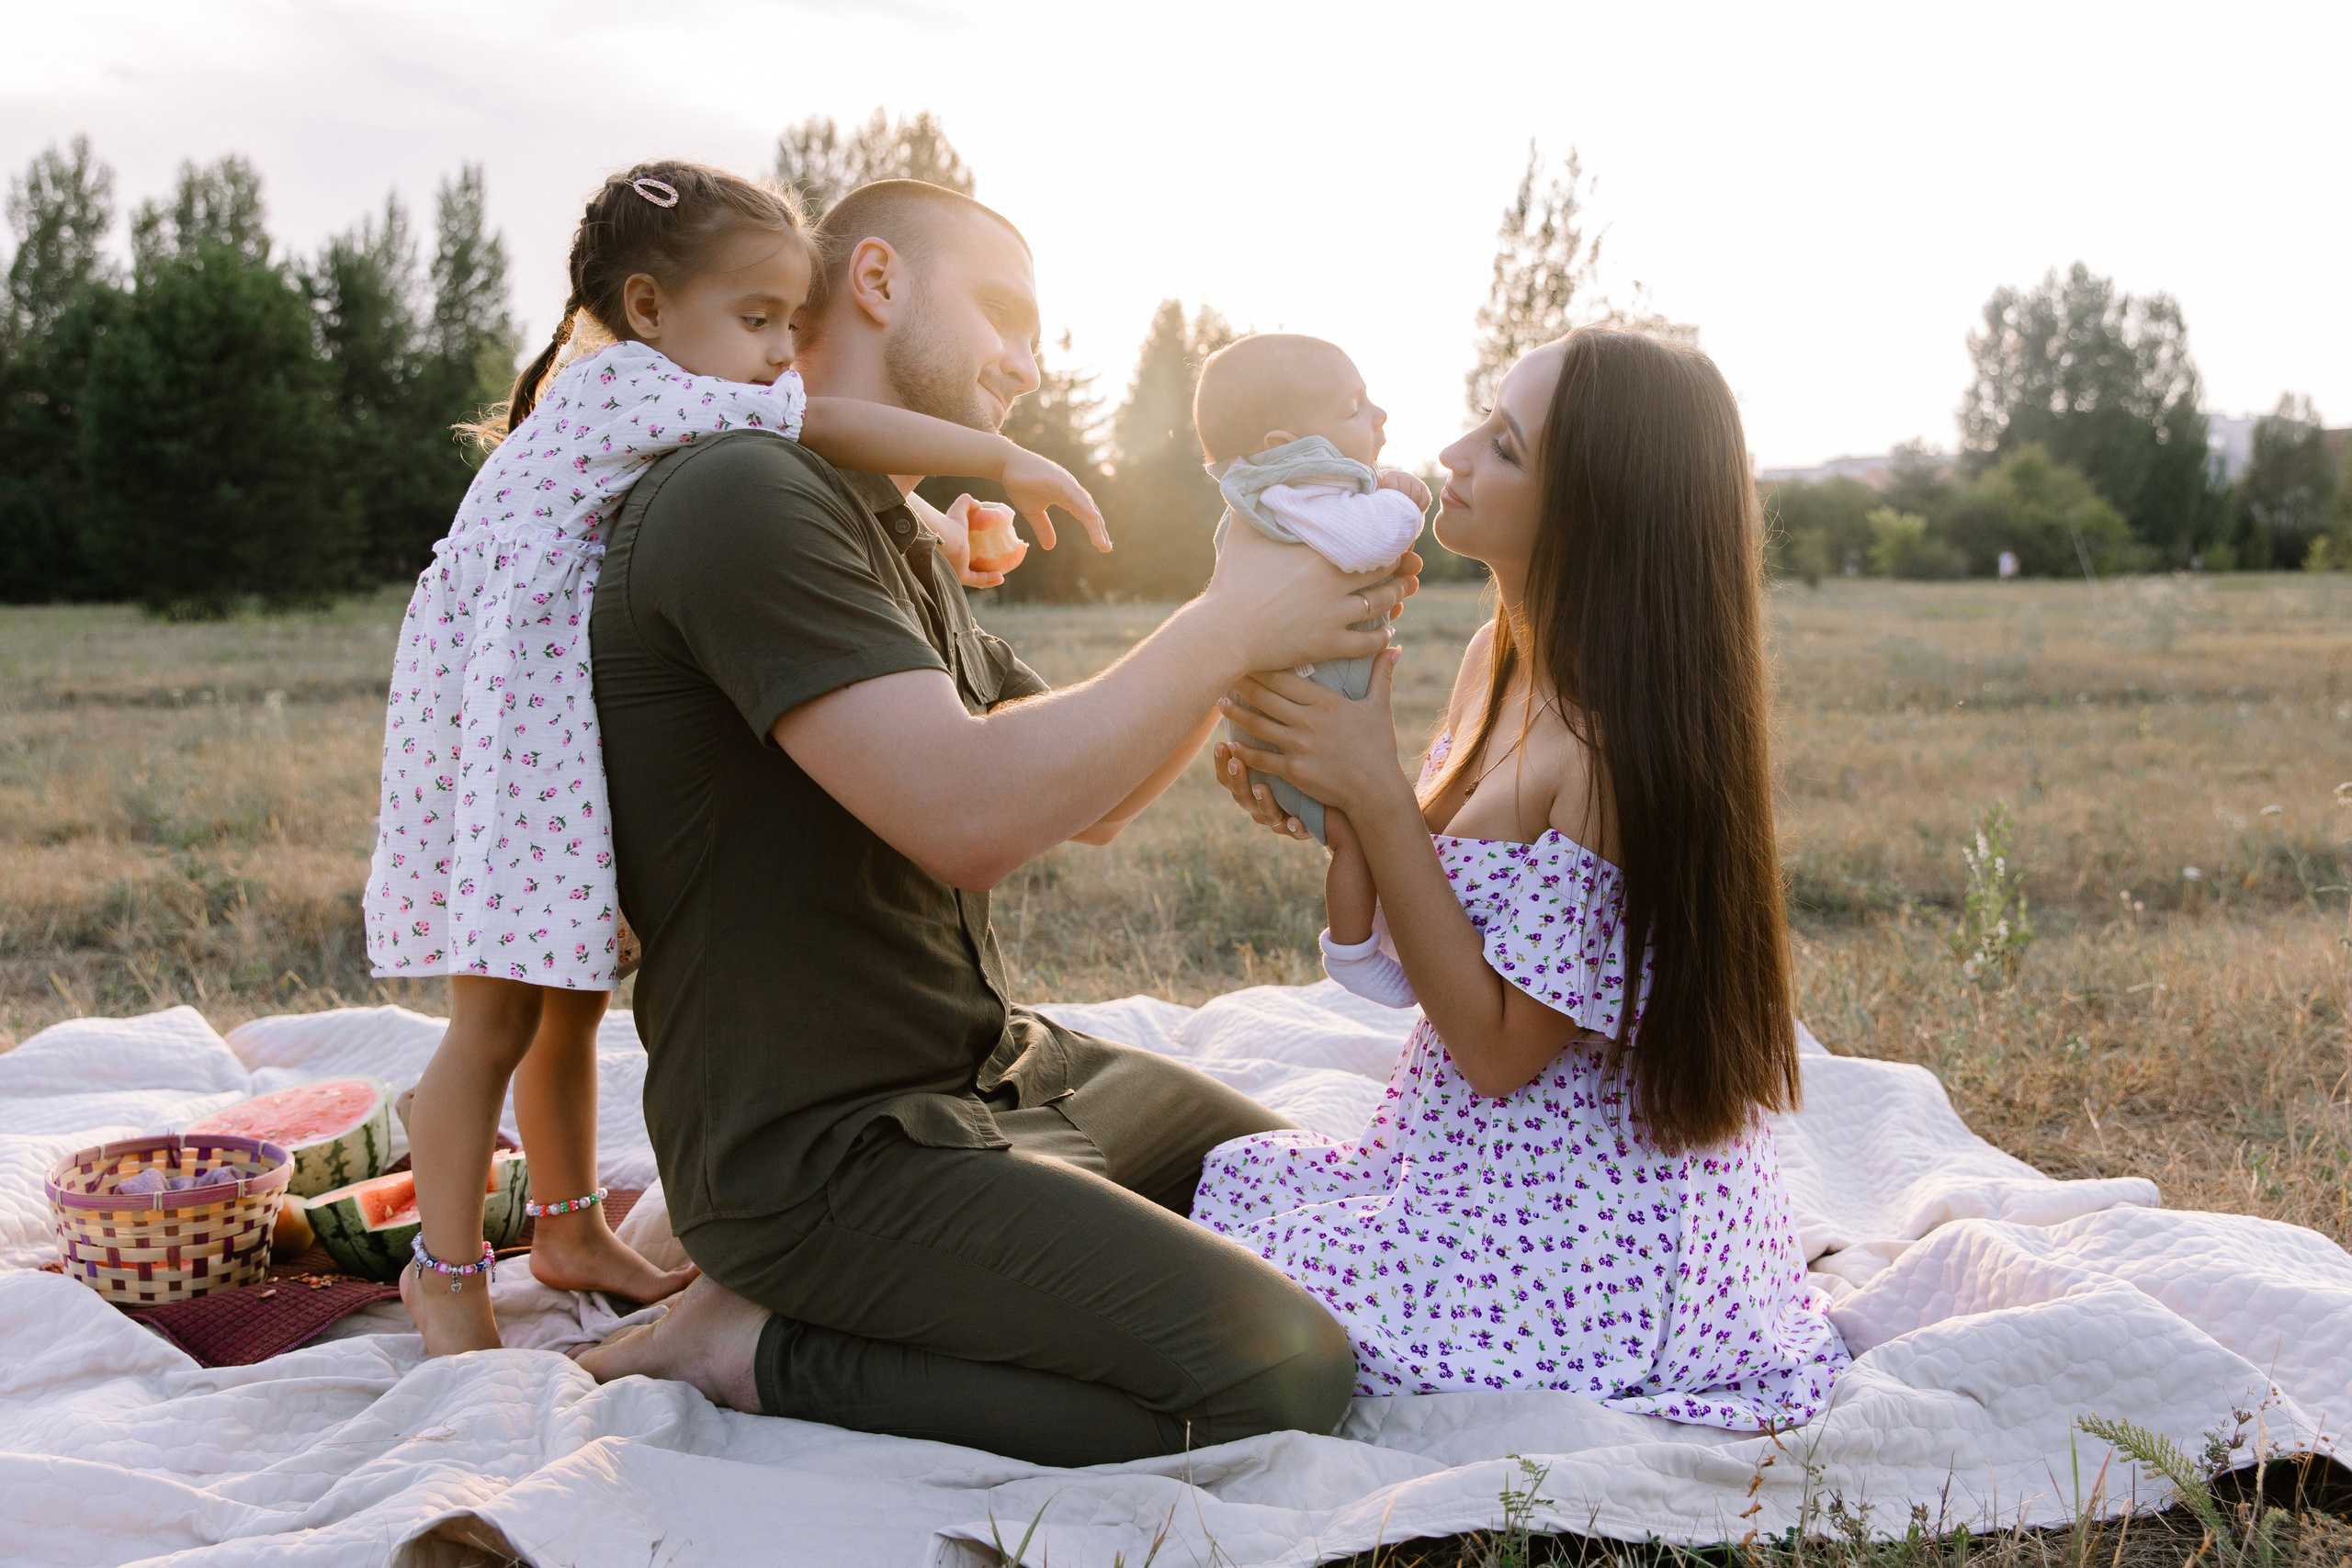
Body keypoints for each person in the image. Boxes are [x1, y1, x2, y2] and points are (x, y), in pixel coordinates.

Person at [572, 180, 1420, 1465]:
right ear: (874, 281)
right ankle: (749, 1342)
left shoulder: (892, 524)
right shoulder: (743, 494)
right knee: (1283, 1371)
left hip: (1006, 1071)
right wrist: (1230, 624)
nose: (1027, 362)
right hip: (828, 1155)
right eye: (1003, 314)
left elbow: (1098, 798)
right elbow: (968, 812)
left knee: (1324, 1203)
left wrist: (1241, 602)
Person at [365, 160, 1103, 1356]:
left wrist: (938, 526)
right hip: (509, 746)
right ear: (651, 306)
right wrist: (1003, 464)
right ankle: (442, 1268)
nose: (778, 351)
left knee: (565, 1004)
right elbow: (825, 426)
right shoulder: (633, 391)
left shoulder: (641, 393)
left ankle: (564, 1231)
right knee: (494, 1022)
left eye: (787, 323)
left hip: (542, 730)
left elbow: (825, 461)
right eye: (759, 321)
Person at [1198, 328, 1850, 1427]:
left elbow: (1498, 1050)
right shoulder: (1492, 661)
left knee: (1231, 1306)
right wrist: (1328, 802)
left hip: (1587, 1245)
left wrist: (1376, 794)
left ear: (1597, 510)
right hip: (1471, 1163)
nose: (1448, 450)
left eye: (1501, 445)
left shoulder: (1608, 761)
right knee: (1236, 1191)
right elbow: (1437, 916)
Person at [1193, 334, 1429, 842]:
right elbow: (1369, 538)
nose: (1379, 413)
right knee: (1354, 844)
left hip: (1293, 721)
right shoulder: (1293, 492)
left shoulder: (1277, 496)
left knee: (1354, 845)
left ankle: (1362, 924)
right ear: (1285, 448)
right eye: (1354, 408)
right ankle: (1353, 928)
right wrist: (1402, 504)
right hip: (1305, 721)